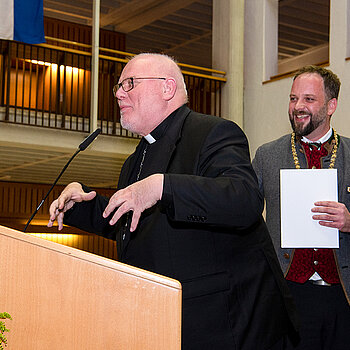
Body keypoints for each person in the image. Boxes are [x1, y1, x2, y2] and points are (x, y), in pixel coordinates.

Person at [48, 53, 297, 350]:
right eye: (118, 86)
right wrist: (81, 204)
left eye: (129, 83)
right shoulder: (134, 160)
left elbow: (243, 200)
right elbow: (134, 224)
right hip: (158, 316)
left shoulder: (213, 132)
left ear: (167, 88)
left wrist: (162, 187)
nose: (117, 93)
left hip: (220, 322)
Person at [253, 65, 350, 350]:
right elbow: (242, 213)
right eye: (293, 98)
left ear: (331, 105)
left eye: (308, 99)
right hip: (287, 294)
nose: (298, 107)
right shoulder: (267, 155)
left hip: (343, 296)